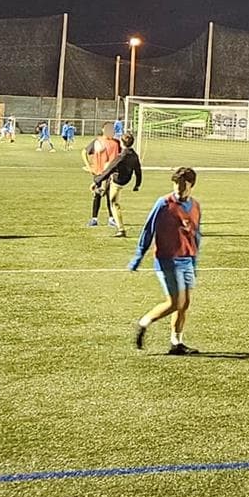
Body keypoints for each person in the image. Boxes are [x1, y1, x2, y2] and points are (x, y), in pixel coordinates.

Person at [130, 166, 202, 354]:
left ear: (191, 185)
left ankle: (176, 343)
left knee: (184, 304)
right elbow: (148, 230)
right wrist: (138, 256)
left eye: (182, 184)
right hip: (167, 260)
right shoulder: (163, 204)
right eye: (175, 183)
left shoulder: (195, 206)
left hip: (186, 260)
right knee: (174, 302)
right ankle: (143, 323)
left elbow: (195, 234)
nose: (178, 187)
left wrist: (194, 261)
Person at [91, 133, 143, 237]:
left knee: (114, 203)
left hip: (118, 181)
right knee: (110, 182)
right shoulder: (134, 155)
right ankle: (103, 190)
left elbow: (109, 170)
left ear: (122, 143)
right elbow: (138, 170)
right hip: (126, 179)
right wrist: (137, 184)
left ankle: (121, 229)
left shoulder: (121, 157)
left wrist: (96, 181)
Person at [83, 123, 121, 228]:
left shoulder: (117, 143)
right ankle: (94, 219)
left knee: (111, 196)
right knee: (97, 195)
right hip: (99, 173)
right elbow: (84, 152)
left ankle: (111, 218)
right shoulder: (98, 142)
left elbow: (120, 157)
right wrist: (89, 166)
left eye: (112, 129)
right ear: (103, 130)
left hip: (112, 174)